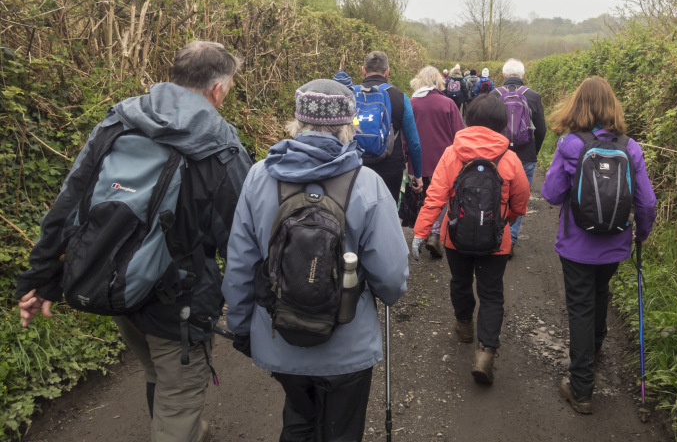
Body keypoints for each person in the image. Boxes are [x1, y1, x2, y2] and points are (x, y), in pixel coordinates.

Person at [16, 40, 253, 442]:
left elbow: (68, 206)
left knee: (153, 371)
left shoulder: (118, 121)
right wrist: (251, 311)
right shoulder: (219, 143)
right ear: (219, 90)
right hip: (179, 302)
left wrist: (41, 279)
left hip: (118, 284)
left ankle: (191, 430)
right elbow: (242, 237)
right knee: (178, 390)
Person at [222, 78, 409, 441]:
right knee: (341, 430)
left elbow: (241, 265)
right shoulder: (367, 183)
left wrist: (242, 327)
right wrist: (386, 293)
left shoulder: (259, 177)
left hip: (280, 339)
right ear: (348, 124)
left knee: (298, 417)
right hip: (347, 348)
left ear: (297, 121)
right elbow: (391, 278)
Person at [540, 76, 656, 415]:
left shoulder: (570, 144)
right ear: (612, 106)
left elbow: (551, 194)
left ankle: (581, 389)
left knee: (580, 305)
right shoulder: (630, 147)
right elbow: (646, 202)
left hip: (576, 245)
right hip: (615, 243)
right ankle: (595, 351)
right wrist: (643, 232)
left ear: (577, 105)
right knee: (600, 292)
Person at [411, 94, 530, 384]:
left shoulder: (452, 154)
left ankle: (464, 325)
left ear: (470, 120)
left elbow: (435, 198)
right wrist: (506, 222)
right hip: (495, 241)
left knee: (460, 282)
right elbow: (521, 201)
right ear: (502, 125)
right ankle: (486, 352)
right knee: (491, 294)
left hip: (456, 239)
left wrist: (420, 232)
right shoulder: (510, 158)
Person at [491, 58, 546, 256]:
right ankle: (511, 238)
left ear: (504, 76)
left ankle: (495, 233)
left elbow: (489, 127)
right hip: (526, 154)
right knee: (520, 197)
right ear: (523, 76)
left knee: (497, 193)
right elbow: (541, 130)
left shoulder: (494, 94)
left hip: (498, 155)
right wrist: (534, 151)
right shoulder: (533, 96)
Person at [408, 65, 464, 257]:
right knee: (442, 198)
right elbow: (460, 135)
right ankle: (434, 233)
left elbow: (404, 137)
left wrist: (406, 160)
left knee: (423, 199)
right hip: (444, 162)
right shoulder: (448, 104)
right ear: (439, 81)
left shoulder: (411, 103)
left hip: (418, 162)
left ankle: (421, 233)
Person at [358, 50, 423, 201]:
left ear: (363, 70)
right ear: (387, 72)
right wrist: (417, 175)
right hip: (390, 168)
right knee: (387, 215)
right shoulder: (400, 97)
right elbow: (413, 142)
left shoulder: (350, 94)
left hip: (356, 166)